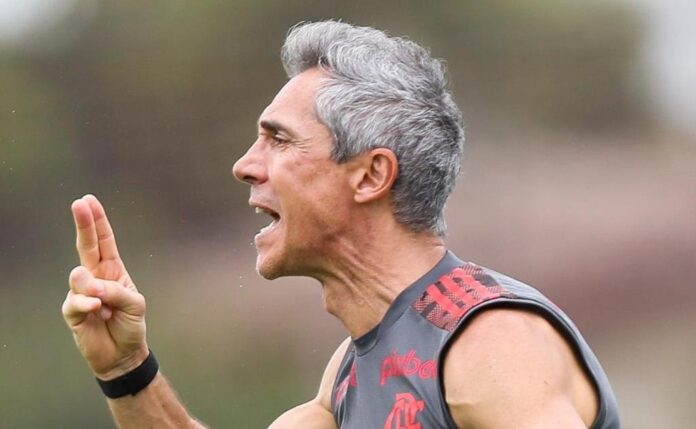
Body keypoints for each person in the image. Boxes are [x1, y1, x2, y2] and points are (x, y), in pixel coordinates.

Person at [61, 21, 620, 428]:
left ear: (370, 175)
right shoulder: (350, 375)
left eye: (279, 139)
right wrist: (127, 368)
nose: (245, 165)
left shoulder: (486, 341)